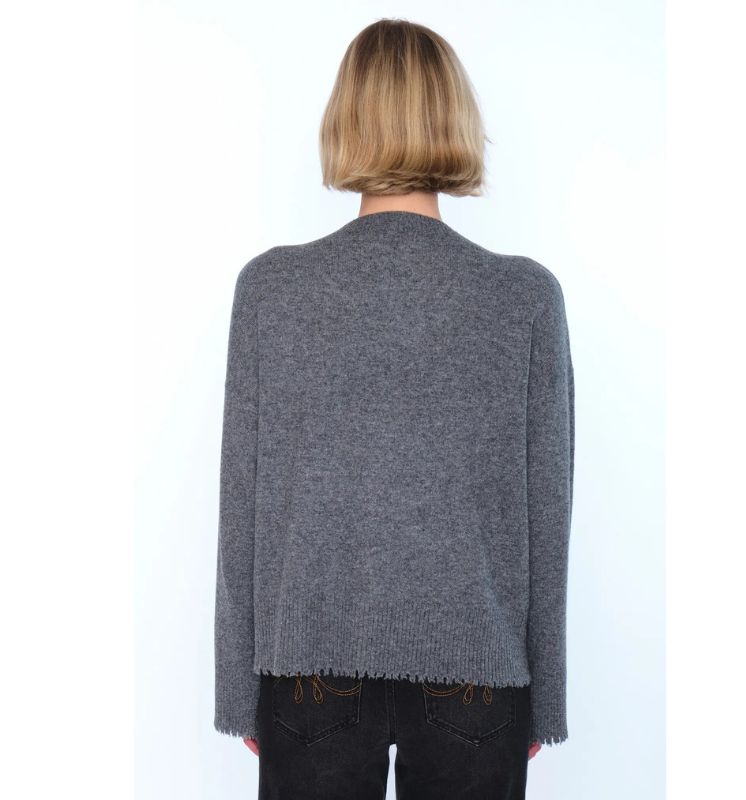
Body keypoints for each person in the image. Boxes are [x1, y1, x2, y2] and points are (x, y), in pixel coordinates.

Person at [214, 17, 575, 800]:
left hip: (307, 665)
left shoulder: (271, 289)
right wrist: (543, 701)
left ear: (346, 118)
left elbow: (243, 506)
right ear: (453, 118)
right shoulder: (522, 297)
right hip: (478, 673)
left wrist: (239, 690)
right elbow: (547, 517)